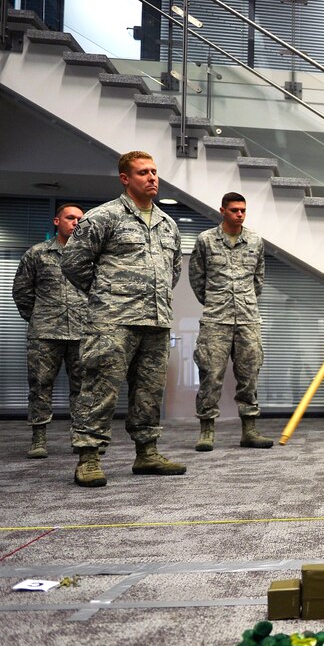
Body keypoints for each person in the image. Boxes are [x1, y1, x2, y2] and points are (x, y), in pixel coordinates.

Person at [61, 151, 186, 487]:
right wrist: (107, 294)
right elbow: (73, 263)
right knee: (100, 388)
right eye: (143, 172)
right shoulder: (104, 217)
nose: (152, 177)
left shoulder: (168, 224)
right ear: (125, 178)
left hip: (156, 321)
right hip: (112, 321)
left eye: (154, 172)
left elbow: (172, 272)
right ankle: (89, 457)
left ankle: (147, 453)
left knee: (149, 391)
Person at [188, 192, 274, 451]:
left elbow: (258, 280)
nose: (239, 214)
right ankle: (206, 431)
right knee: (210, 375)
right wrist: (216, 301)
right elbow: (197, 278)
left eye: (243, 210)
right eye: (234, 210)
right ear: (222, 211)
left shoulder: (255, 241)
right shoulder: (205, 240)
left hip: (248, 319)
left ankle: (250, 430)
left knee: (250, 375)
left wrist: (244, 302)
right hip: (216, 319)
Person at [12, 203, 87, 459]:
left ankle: (80, 437)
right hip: (45, 334)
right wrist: (38, 318)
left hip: (81, 332)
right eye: (70, 218)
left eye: (80, 219)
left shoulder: (89, 256)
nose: (75, 223)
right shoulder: (37, 254)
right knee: (40, 386)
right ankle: (39, 438)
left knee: (82, 388)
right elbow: (22, 291)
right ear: (57, 221)